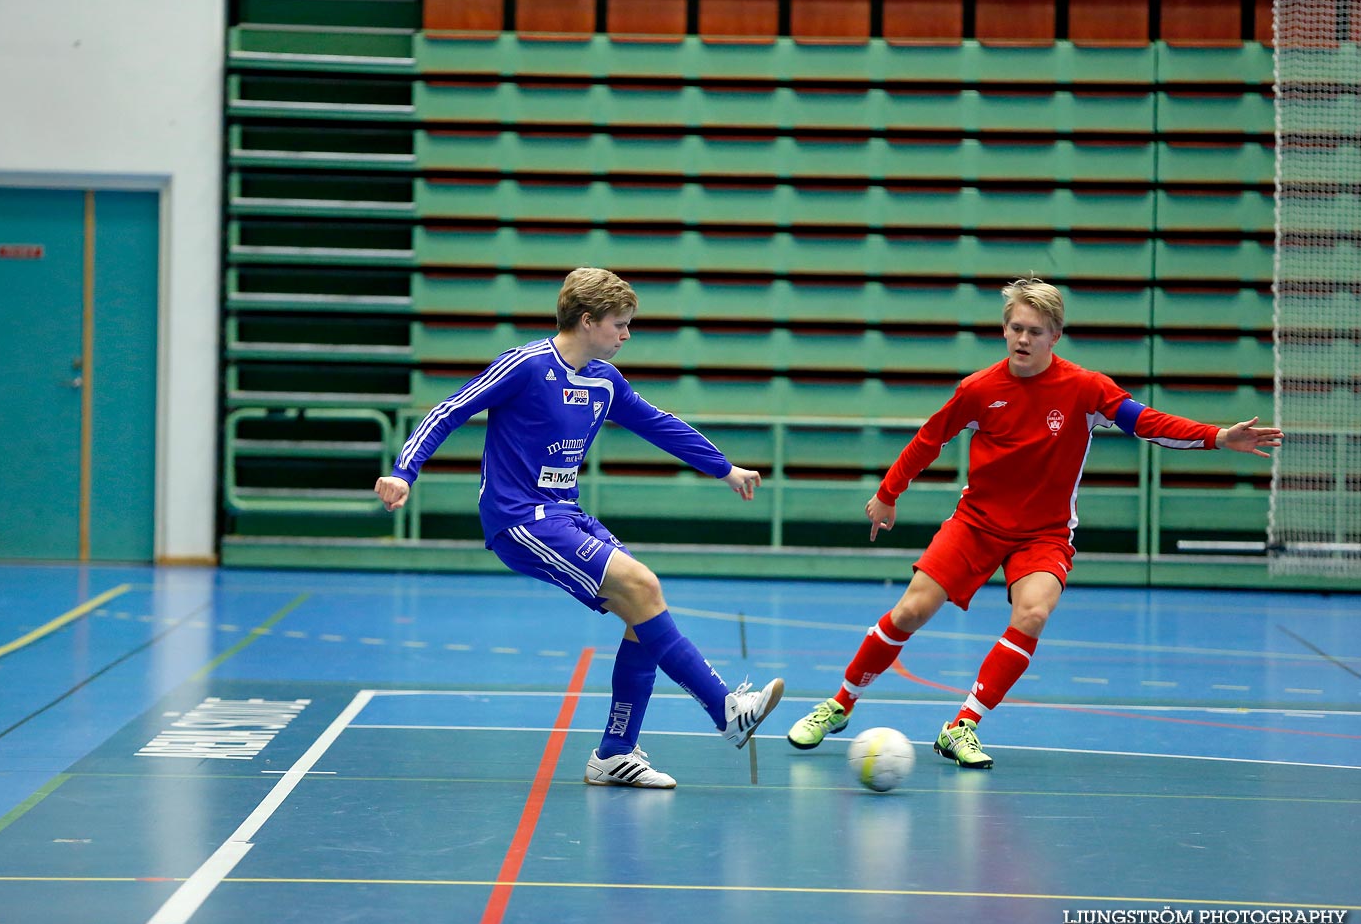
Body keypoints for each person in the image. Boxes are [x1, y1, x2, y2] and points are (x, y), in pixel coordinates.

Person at [786, 278, 1283, 769]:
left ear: (1055, 337)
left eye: (1036, 331)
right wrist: (887, 494)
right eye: (1016, 328)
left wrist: (1217, 437)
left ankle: (962, 725)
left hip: (1044, 533)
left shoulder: (1086, 389)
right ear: (1005, 331)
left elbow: (1147, 422)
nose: (1023, 339)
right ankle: (840, 704)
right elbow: (929, 440)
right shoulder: (979, 389)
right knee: (912, 610)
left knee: (1033, 614)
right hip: (976, 523)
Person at [374, 267, 784, 789]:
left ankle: (614, 752)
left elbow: (660, 425)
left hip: (565, 514)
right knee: (643, 585)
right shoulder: (526, 366)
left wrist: (724, 468)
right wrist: (403, 471)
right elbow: (449, 410)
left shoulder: (604, 381)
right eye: (620, 324)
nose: (626, 335)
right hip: (520, 519)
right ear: (587, 321)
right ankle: (725, 710)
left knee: (641, 612)